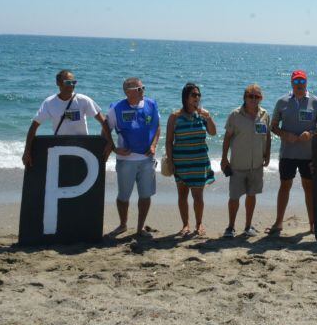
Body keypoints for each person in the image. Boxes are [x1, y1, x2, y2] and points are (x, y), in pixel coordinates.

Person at [267, 70, 317, 235]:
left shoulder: (315, 102)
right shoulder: (282, 101)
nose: (299, 85)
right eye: (296, 82)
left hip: (308, 155)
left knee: (309, 188)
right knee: (284, 186)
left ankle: (313, 224)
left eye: (302, 82)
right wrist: (284, 134)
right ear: (291, 83)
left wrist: (312, 133)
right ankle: (278, 223)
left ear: (306, 83)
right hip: (287, 154)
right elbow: (273, 126)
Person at [105, 77, 160, 239]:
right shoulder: (116, 108)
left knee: (145, 195)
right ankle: (123, 225)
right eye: (140, 89)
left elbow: (157, 127)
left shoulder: (151, 104)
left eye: (143, 88)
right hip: (126, 161)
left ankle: (140, 227)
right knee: (123, 196)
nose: (143, 91)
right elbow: (105, 130)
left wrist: (154, 145)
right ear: (129, 92)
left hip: (146, 159)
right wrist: (114, 148)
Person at [21, 70, 110, 167]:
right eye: (68, 82)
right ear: (58, 83)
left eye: (73, 82)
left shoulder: (83, 100)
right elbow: (34, 126)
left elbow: (103, 121)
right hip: (60, 147)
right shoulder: (49, 103)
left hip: (82, 147)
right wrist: (27, 151)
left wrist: (108, 143)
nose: (71, 85)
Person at [166, 83, 216, 237]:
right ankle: (185, 225)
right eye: (194, 95)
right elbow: (169, 141)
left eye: (198, 95)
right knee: (182, 195)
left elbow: (213, 133)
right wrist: (170, 161)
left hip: (199, 162)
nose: (197, 98)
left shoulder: (202, 115)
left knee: (198, 196)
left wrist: (208, 116)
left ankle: (199, 224)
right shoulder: (175, 117)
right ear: (186, 98)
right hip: (181, 162)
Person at [220, 84, 271, 238]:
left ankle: (248, 226)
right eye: (250, 96)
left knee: (252, 195)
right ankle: (230, 227)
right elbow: (227, 138)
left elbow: (267, 136)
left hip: (256, 165)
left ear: (261, 98)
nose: (254, 99)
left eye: (257, 96)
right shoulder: (235, 115)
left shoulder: (265, 115)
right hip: (238, 165)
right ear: (245, 97)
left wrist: (267, 155)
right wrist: (224, 158)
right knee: (234, 197)